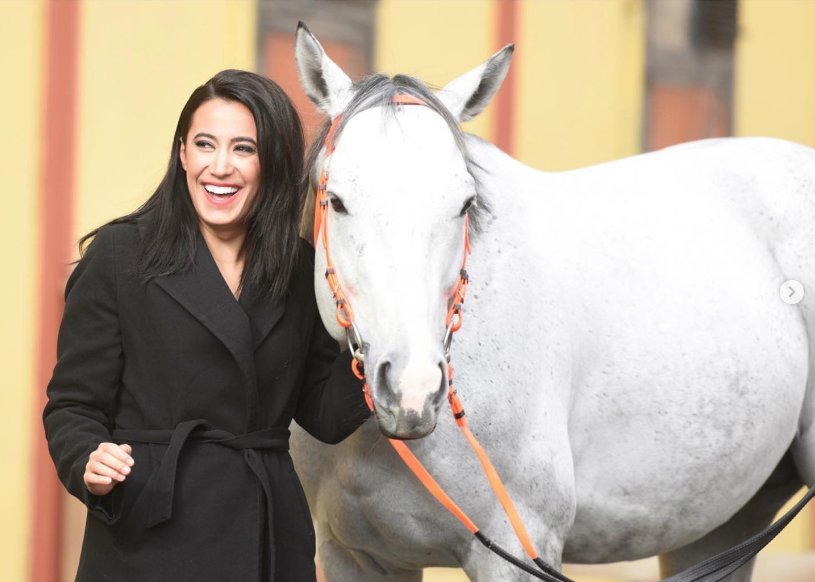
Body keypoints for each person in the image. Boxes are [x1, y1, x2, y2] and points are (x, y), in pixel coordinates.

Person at [42, 69, 370, 582]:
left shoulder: (298, 270)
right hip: (150, 531)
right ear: (182, 154)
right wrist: (88, 457)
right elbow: (73, 405)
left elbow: (324, 417)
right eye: (204, 144)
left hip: (267, 536)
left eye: (244, 149)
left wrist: (376, 333)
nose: (221, 167)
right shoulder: (120, 257)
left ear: (272, 163)